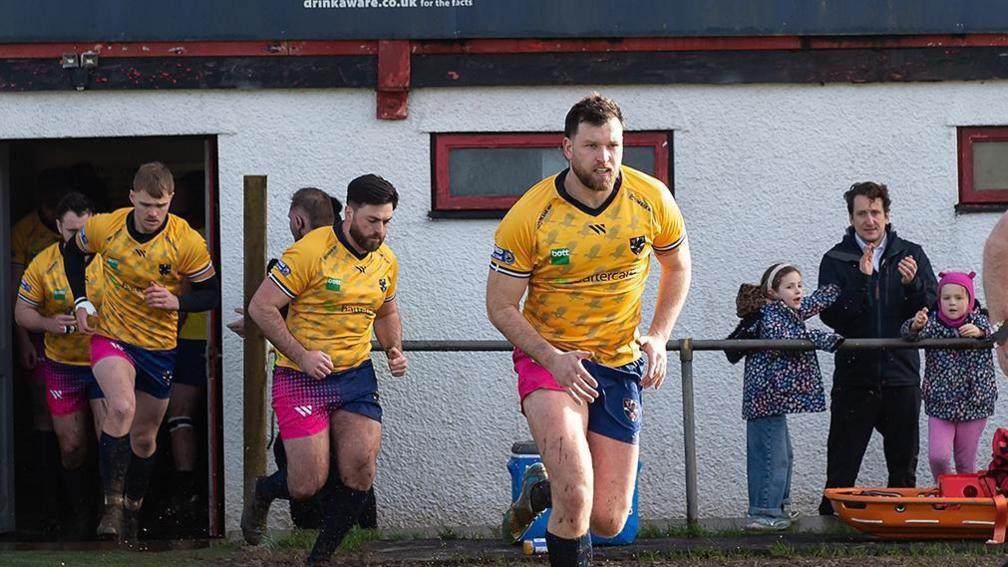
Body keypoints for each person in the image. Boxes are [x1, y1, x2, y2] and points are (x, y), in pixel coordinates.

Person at [486, 93, 691, 567]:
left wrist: (658, 335)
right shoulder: (531, 215)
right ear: (567, 148)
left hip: (619, 361)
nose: (605, 158)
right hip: (553, 361)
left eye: (614, 146)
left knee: (609, 520)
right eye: (592, 145)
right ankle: (559, 485)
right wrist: (552, 357)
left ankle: (542, 488)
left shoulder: (651, 197)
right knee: (576, 495)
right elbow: (499, 305)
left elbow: (677, 267)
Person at [243, 175, 407, 565]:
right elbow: (260, 308)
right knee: (307, 484)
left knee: (360, 471)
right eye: (371, 221)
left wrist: (393, 348)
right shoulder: (308, 253)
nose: (379, 231)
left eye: (386, 221)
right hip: (301, 378)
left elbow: (386, 310)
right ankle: (264, 491)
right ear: (348, 212)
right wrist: (302, 355)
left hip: (355, 375)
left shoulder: (386, 260)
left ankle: (320, 558)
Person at [63, 161, 220, 543]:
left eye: (162, 205)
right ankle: (111, 507)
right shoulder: (105, 226)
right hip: (113, 336)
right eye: (147, 204)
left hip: (160, 346)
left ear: (171, 202)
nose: (153, 213)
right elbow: (71, 252)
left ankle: (133, 506)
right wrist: (82, 300)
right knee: (120, 408)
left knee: (145, 438)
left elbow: (212, 293)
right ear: (132, 197)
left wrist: (177, 301)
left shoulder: (186, 242)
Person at [817, 181, 937, 515]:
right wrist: (862, 280)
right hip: (855, 377)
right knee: (841, 466)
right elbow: (834, 317)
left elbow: (931, 308)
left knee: (903, 467)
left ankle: (901, 531)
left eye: (875, 212)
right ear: (851, 218)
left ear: (887, 215)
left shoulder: (912, 254)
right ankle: (830, 532)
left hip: (902, 375)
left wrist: (912, 286)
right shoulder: (836, 259)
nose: (869, 220)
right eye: (862, 214)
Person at [727, 260, 866, 530]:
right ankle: (764, 512)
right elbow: (790, 335)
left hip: (772, 399)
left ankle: (778, 506)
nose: (798, 291)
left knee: (783, 454)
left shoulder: (785, 310)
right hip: (764, 399)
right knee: (770, 455)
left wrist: (850, 277)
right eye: (790, 286)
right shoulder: (771, 315)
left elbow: (815, 301)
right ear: (773, 292)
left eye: (800, 285)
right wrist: (827, 338)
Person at [14, 191, 107, 539]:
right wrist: (49, 324)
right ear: (57, 227)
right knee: (71, 446)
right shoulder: (43, 263)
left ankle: (110, 513)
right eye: (71, 232)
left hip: (104, 358)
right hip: (62, 363)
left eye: (85, 231)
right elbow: (21, 313)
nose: (78, 239)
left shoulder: (110, 258)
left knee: (109, 435)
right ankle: (80, 510)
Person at [10, 168, 69, 534]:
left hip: (80, 344)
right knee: (44, 418)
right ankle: (50, 506)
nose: (50, 217)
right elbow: (14, 292)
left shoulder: (82, 233)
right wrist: (22, 341)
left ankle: (81, 504)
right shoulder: (24, 231)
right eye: (46, 208)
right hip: (39, 339)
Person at [901, 271, 996, 483]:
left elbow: (996, 331)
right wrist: (915, 325)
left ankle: (966, 501)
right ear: (939, 300)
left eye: (959, 298)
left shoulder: (979, 320)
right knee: (938, 456)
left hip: (974, 402)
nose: (952, 303)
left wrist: (981, 332)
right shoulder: (933, 323)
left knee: (965, 461)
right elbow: (908, 334)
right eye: (946, 298)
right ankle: (945, 491)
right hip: (941, 402)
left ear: (970, 300)